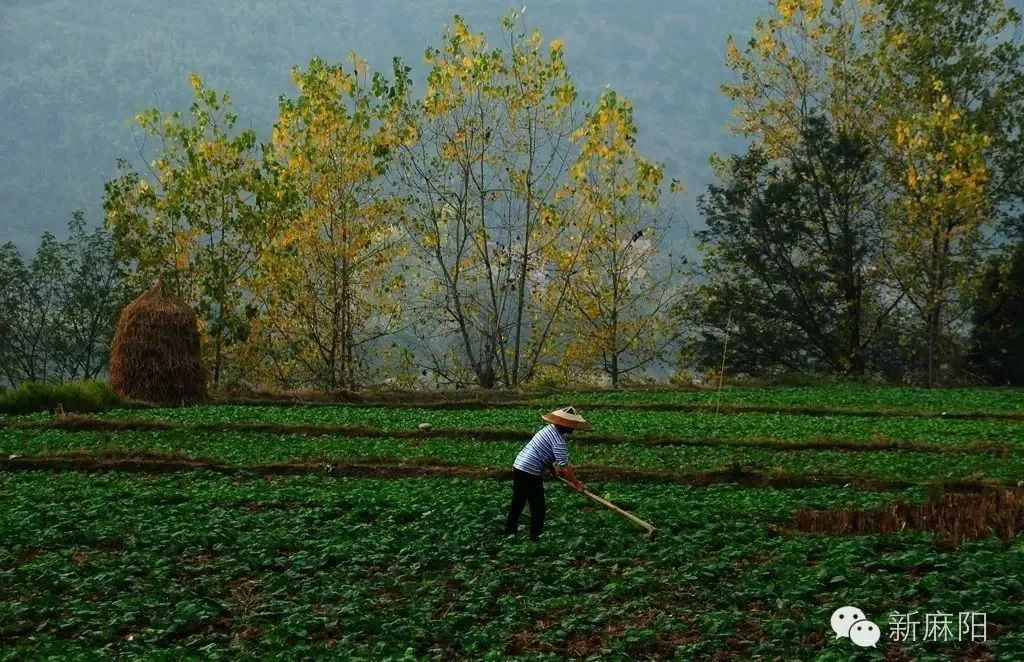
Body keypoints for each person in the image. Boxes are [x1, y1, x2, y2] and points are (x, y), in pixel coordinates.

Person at [504, 406, 591, 541]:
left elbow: (543, 453)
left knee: (518, 501)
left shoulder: (548, 430)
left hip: (519, 466)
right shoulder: (559, 441)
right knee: (538, 507)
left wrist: (551, 470)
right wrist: (577, 484)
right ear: (564, 425)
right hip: (530, 471)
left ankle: (510, 533)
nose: (573, 429)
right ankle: (535, 538)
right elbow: (565, 468)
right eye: (571, 426)